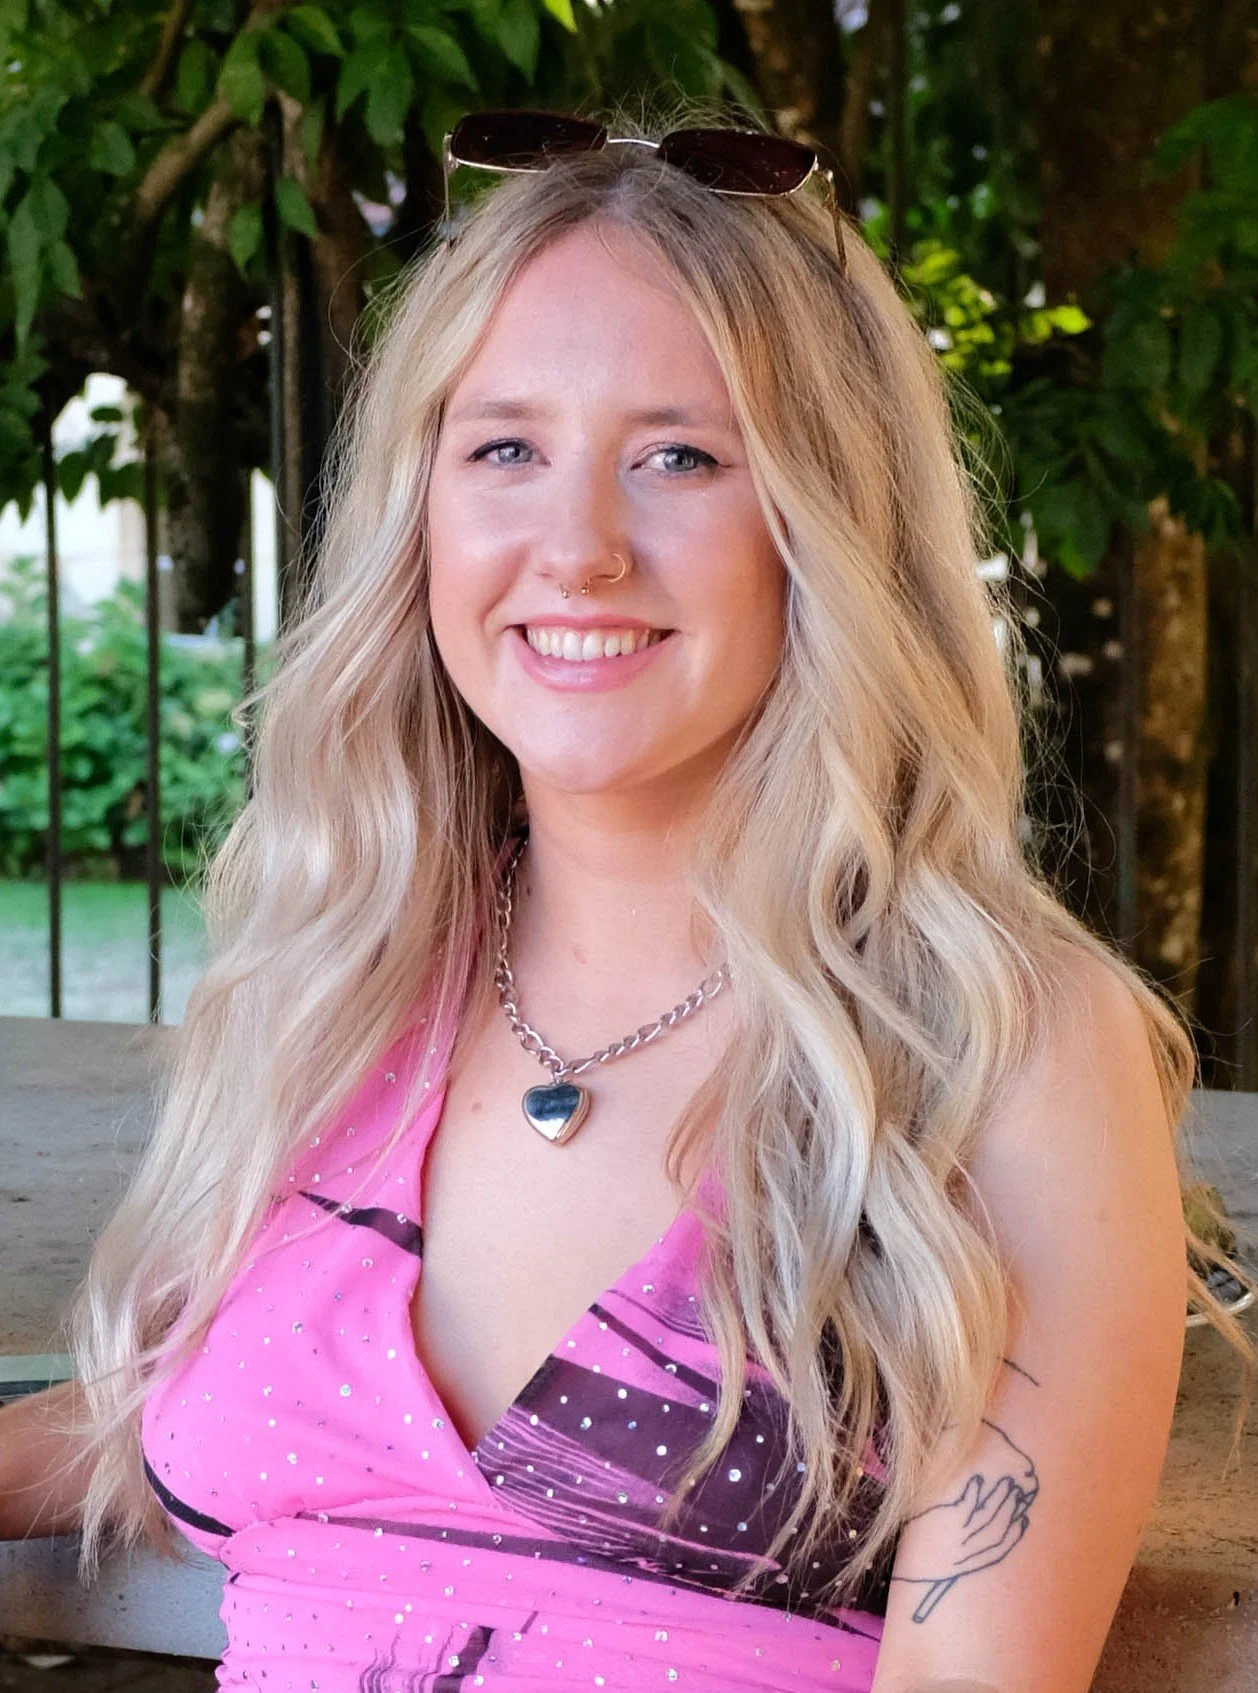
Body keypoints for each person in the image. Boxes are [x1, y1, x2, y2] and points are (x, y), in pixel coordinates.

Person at [2, 99, 1254, 1693]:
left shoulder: (996, 1049)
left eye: (679, 456)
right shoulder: (345, 985)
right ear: (420, 514)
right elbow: (163, 1409)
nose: (577, 547)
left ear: (828, 529)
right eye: (506, 447)